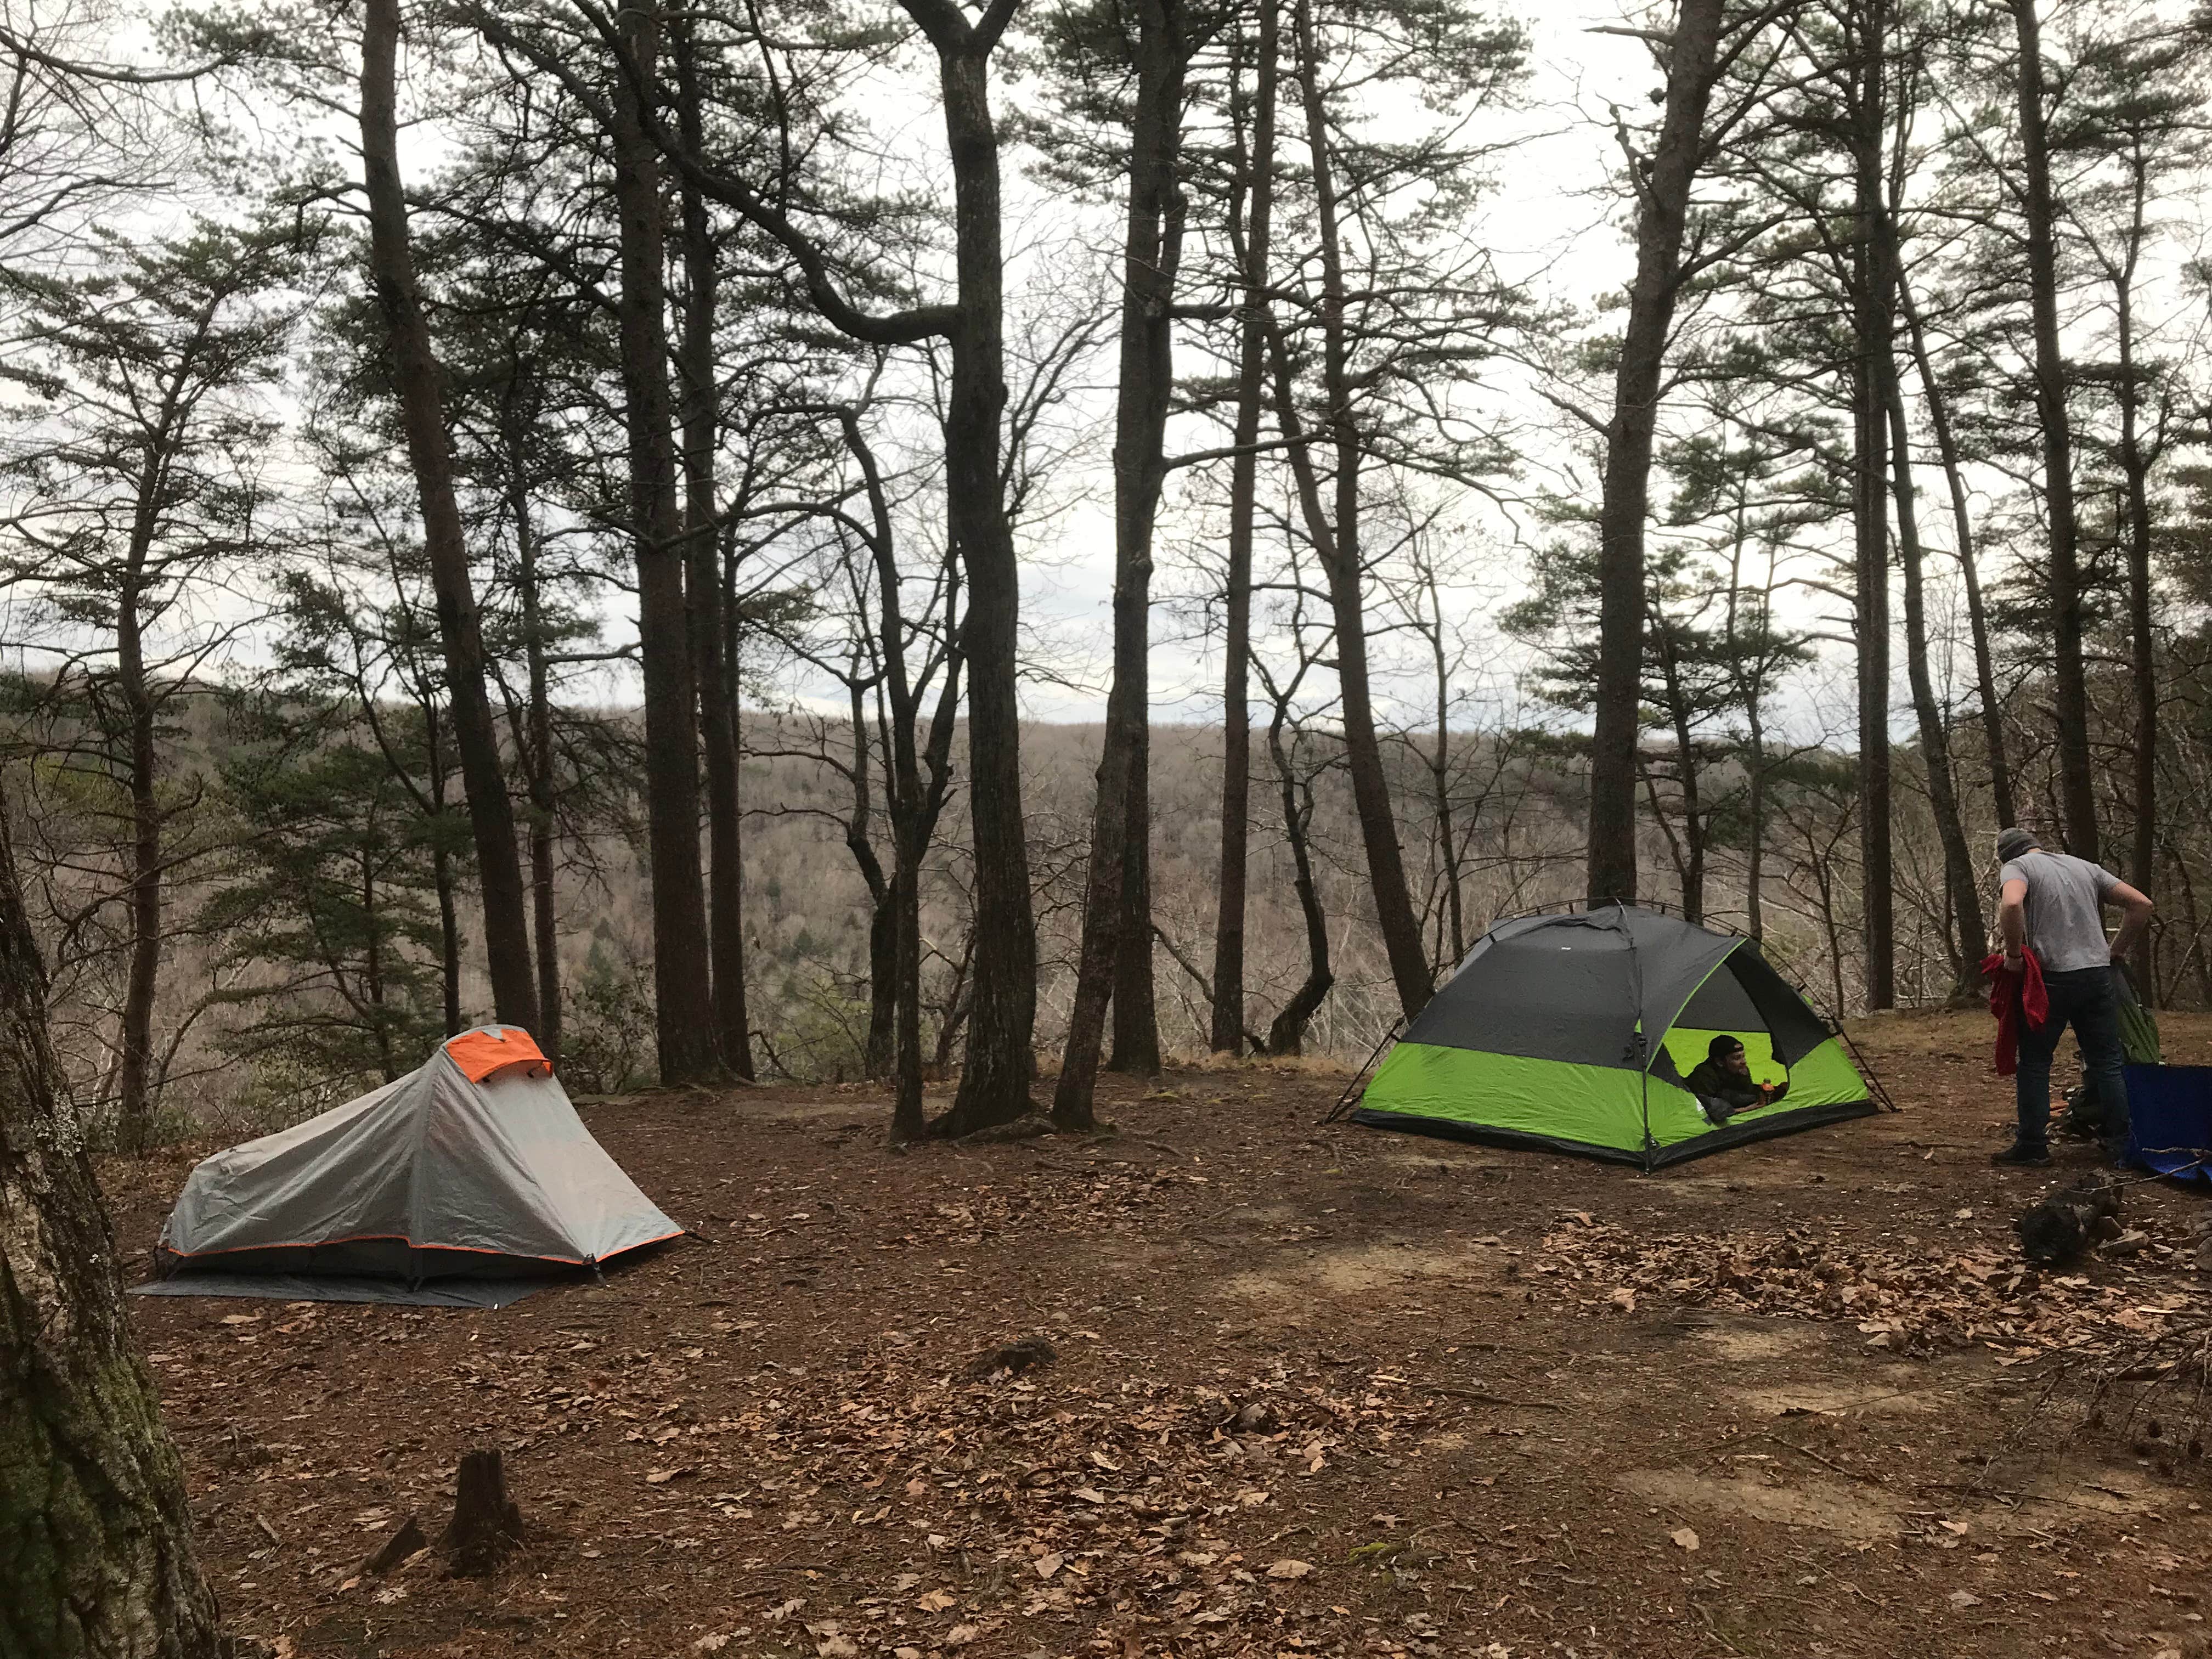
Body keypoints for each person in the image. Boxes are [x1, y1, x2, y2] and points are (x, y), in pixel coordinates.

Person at [1990, 825, 2154, 1167]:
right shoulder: (2085, 867)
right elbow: (2141, 904)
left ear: (2005, 855)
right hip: (2096, 977)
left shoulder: (2017, 867)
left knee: (2035, 1063)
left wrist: (2013, 955)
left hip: (2049, 980)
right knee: (2107, 1062)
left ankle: (2033, 1146)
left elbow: (2012, 903)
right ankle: (2122, 1144)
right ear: (2036, 845)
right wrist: (2115, 952)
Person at [1684, 1034, 1787, 1124]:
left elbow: (1746, 1092)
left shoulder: (1739, 1070)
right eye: (1737, 1058)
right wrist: (1744, 1110)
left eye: (1743, 1057)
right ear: (1720, 1062)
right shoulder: (1704, 1076)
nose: (1744, 1062)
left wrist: (1745, 1079)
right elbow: (1703, 1109)